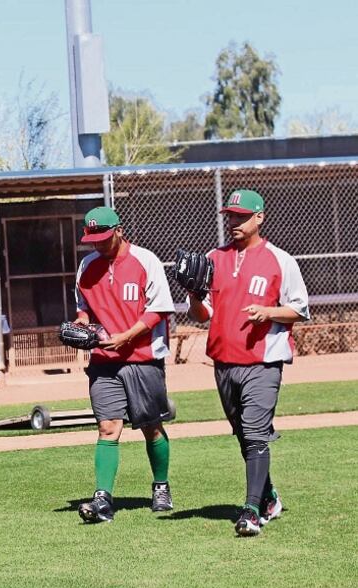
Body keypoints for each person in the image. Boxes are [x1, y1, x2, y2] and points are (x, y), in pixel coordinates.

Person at [187, 189, 309, 537]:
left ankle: (252, 511)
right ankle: (269, 497)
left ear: (259, 218)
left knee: (255, 434)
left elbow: (300, 309)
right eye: (231, 216)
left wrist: (268, 312)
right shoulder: (213, 258)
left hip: (263, 361)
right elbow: (200, 314)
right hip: (224, 361)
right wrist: (196, 296)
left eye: (241, 216)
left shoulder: (280, 260)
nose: (234, 222)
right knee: (245, 437)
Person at [72, 206, 177, 524]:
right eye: (93, 239)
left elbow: (158, 311)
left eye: (103, 237)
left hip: (143, 358)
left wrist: (125, 337)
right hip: (104, 361)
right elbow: (83, 309)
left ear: (119, 230)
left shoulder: (146, 261)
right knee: (108, 427)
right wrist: (82, 326)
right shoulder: (86, 267)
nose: (98, 244)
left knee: (150, 427)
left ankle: (161, 486)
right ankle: (103, 498)